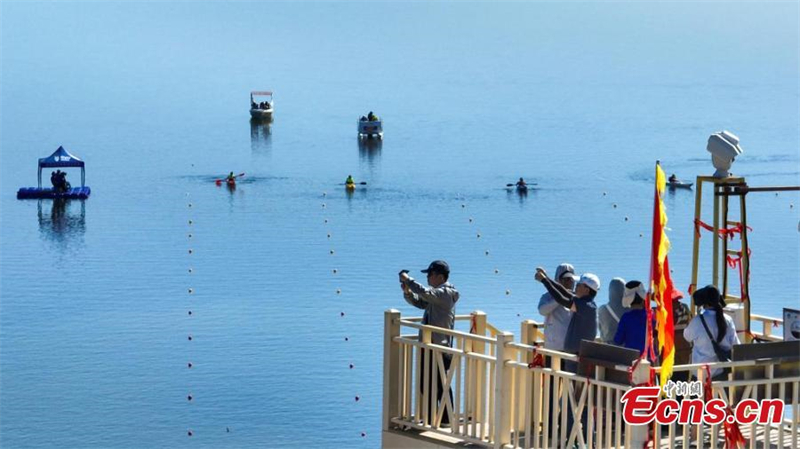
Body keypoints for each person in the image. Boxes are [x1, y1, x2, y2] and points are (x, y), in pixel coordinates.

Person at [400, 260, 459, 428]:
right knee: (430, 384)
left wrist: (408, 280)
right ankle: (436, 418)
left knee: (440, 385)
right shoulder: (438, 295)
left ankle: (444, 420)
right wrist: (408, 293)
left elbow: (425, 293)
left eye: (430, 275)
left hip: (438, 346)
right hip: (431, 345)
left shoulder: (445, 293)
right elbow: (422, 302)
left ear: (440, 277)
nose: (427, 278)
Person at [534, 267, 599, 372]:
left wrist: (544, 281)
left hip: (578, 358)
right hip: (574, 356)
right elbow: (564, 292)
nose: (575, 286)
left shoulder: (587, 306)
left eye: (579, 285)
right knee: (570, 386)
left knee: (574, 387)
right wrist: (547, 278)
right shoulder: (584, 302)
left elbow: (561, 299)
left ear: (587, 290)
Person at [683, 285, 739, 380]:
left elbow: (687, 336)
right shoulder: (728, 320)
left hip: (700, 373)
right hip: (721, 373)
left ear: (704, 304)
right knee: (720, 395)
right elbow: (736, 344)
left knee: (697, 395)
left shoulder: (697, 321)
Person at [537, 263, 577, 352]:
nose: (569, 282)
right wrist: (559, 299)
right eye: (565, 279)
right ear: (558, 279)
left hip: (570, 348)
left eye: (571, 279)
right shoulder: (547, 296)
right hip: (553, 348)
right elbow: (542, 311)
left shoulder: (576, 298)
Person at [613, 280, 657, 358]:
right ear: (643, 299)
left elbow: (618, 340)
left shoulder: (625, 318)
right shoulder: (651, 315)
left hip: (631, 359)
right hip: (649, 358)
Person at [598, 277, 626, 343]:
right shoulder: (628, 310)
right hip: (623, 347)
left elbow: (601, 329)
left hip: (607, 345)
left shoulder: (602, 309)